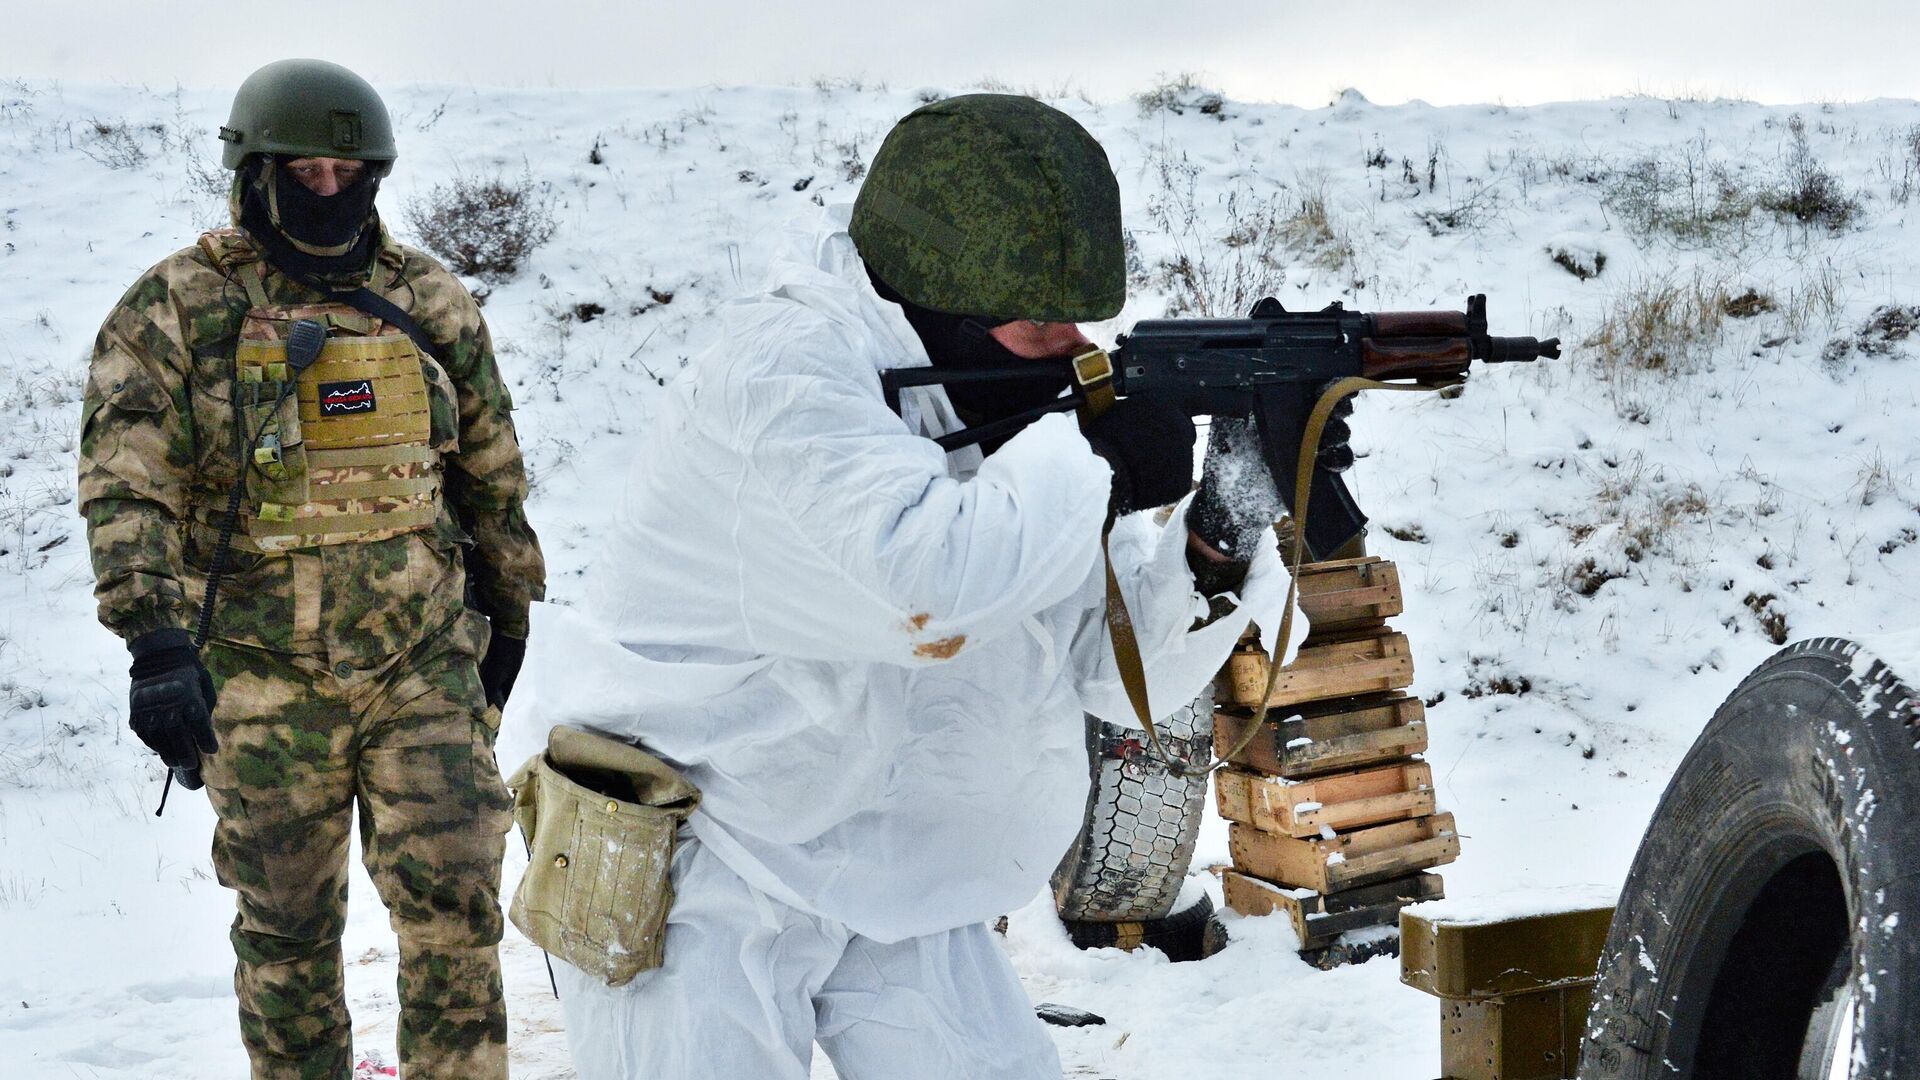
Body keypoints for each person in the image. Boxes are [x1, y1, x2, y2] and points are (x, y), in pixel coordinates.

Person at [518, 93, 1298, 1079]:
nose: (1072, 346)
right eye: (1039, 321)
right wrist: (1094, 460)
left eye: (1077, 319)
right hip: (698, 861)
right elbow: (928, 582)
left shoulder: (993, 414)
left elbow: (1107, 666)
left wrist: (1224, 525)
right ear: (943, 298)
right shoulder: (785, 379)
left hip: (889, 866)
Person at [76, 58, 544, 1080]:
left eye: (347, 172)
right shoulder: (176, 306)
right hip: (257, 676)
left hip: (418, 665)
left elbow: (490, 468)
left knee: (459, 916)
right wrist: (153, 640)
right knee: (287, 939)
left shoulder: (427, 298)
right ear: (253, 173)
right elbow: (127, 483)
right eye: (305, 173)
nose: (327, 193)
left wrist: (508, 621)